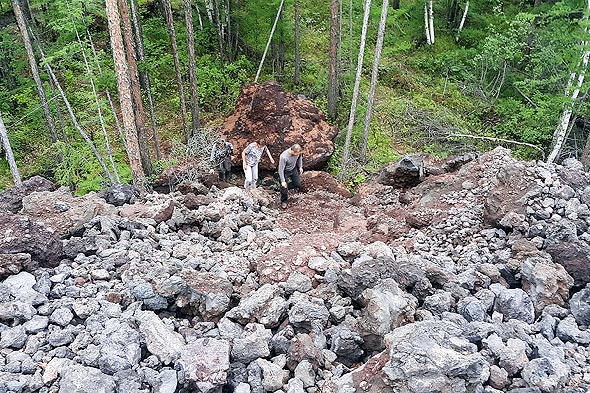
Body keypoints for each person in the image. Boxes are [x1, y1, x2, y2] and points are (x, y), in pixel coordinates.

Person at [278, 144, 303, 209]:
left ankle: (285, 188)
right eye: (296, 154)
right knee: (284, 187)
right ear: (292, 151)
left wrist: (300, 167)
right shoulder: (283, 156)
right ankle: (284, 201)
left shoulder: (298, 153)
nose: (297, 155)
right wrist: (283, 181)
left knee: (297, 184)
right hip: (285, 171)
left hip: (293, 169)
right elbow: (280, 170)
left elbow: (300, 157)